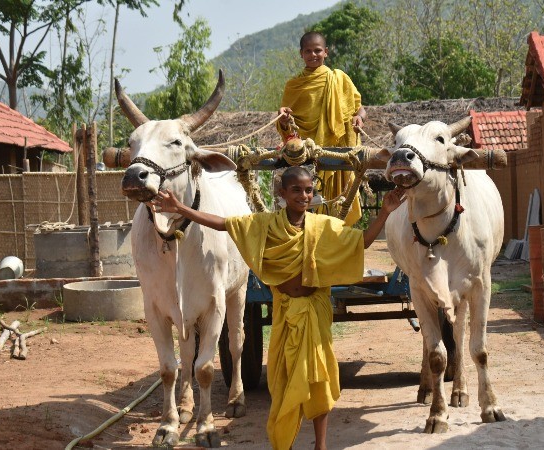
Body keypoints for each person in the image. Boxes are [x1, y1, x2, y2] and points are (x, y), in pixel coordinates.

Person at [152, 167, 405, 450]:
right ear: (282, 193)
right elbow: (223, 223)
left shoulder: (324, 226)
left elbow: (362, 242)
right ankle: (285, 443)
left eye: (308, 190)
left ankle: (320, 445)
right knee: (282, 380)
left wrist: (385, 211)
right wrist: (181, 208)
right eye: (296, 190)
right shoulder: (265, 225)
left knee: (319, 379)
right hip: (285, 312)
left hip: (314, 311)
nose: (304, 195)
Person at [277, 31, 367, 227]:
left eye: (317, 50)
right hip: (305, 158)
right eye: (308, 51)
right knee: (304, 208)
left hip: (337, 153)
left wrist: (358, 118)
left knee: (338, 207)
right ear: (301, 54)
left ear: (326, 52)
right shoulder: (293, 85)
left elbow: (359, 108)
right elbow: (286, 125)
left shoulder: (339, 78)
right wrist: (284, 119)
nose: (313, 55)